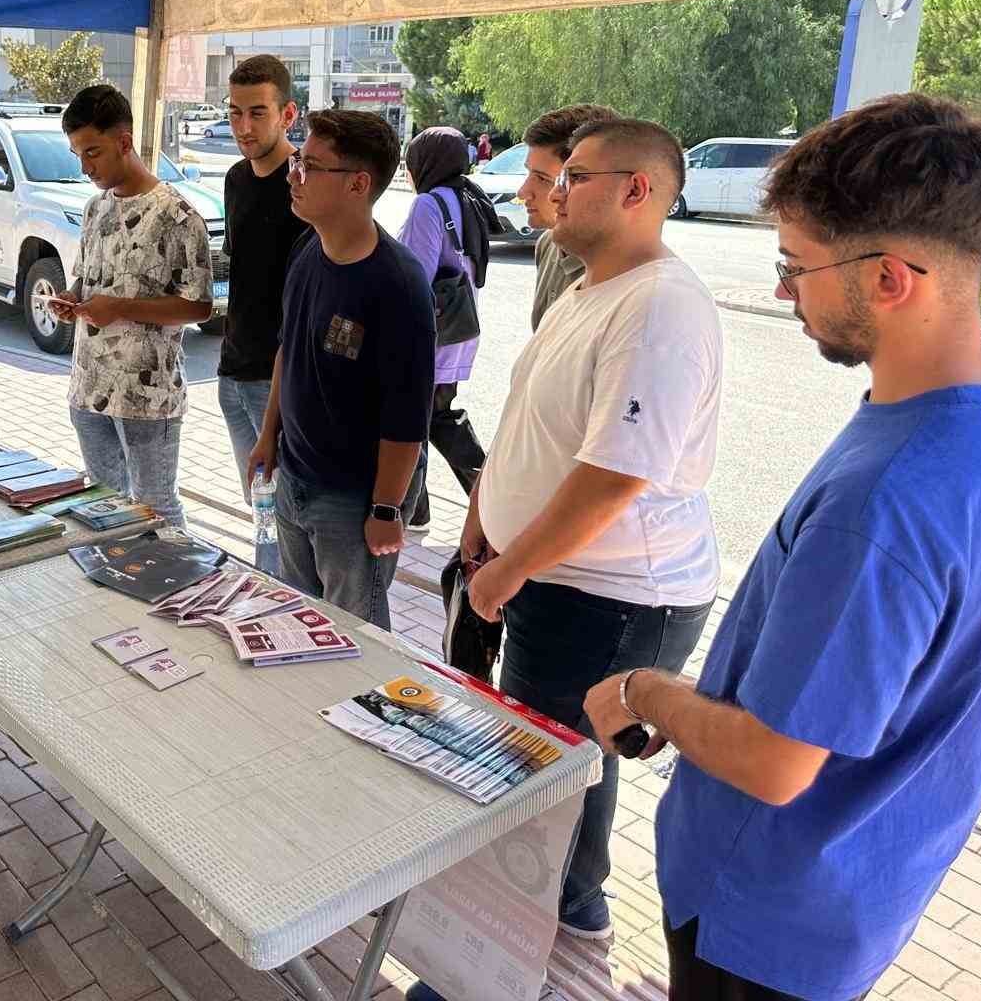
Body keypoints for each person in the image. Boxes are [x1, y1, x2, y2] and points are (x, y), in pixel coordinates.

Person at [580, 95, 981, 1001]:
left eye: (796, 264)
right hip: (856, 888)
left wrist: (643, 690)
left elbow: (774, 761)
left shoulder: (886, 499)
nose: (784, 289)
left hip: (762, 919)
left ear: (893, 278)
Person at [461, 118, 723, 944]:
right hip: (560, 577)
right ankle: (562, 898)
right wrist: (484, 517)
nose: (552, 191)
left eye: (573, 176)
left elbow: (615, 476)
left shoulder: (658, 308)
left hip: (610, 596)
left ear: (637, 190)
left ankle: (548, 916)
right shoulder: (590, 285)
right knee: (564, 748)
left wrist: (509, 569)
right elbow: (532, 421)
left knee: (558, 759)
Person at [248, 109, 434, 630]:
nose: (294, 175)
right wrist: (269, 437)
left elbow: (406, 421)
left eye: (310, 165)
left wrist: (385, 510)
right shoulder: (309, 250)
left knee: (357, 632)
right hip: (296, 475)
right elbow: (288, 350)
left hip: (354, 499)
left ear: (358, 183)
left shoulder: (398, 285)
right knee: (298, 617)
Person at [50, 84, 213, 529]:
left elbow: (199, 307)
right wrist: (72, 300)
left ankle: (175, 593)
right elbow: (86, 280)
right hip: (88, 385)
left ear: (124, 143)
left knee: (156, 506)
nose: (85, 167)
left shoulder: (178, 214)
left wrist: (119, 307)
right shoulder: (93, 208)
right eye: (78, 154)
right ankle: (117, 589)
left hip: (148, 395)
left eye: (93, 153)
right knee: (105, 506)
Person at [216, 55, 308, 572]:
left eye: (257, 113)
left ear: (287, 114)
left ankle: (280, 614)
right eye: (234, 113)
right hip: (231, 372)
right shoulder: (234, 178)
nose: (244, 127)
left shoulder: (304, 188)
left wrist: (277, 405)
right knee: (262, 512)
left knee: (283, 524)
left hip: (278, 382)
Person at [397, 127, 490, 526]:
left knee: (414, 419)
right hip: (458, 330)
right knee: (430, 416)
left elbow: (415, 276)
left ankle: (488, 500)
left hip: (429, 334)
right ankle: (419, 509)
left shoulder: (427, 205)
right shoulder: (467, 197)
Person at [517, 104, 619, 330]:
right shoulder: (548, 244)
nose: (522, 192)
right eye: (528, 173)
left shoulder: (621, 273)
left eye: (543, 179)